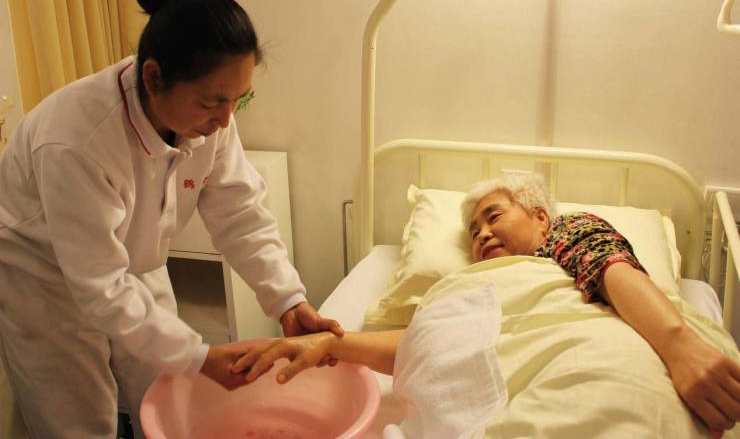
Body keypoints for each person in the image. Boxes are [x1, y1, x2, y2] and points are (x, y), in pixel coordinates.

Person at [0, 0, 341, 439]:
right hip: (43, 274)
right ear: (153, 77)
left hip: (134, 260)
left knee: (164, 393)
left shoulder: (207, 115)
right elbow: (100, 285)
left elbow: (240, 212)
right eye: (212, 103)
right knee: (77, 418)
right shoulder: (77, 141)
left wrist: (287, 298)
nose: (225, 120)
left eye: (237, 101)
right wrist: (199, 356)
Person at [233, 173, 740, 438]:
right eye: (474, 231)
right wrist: (330, 343)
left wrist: (679, 347)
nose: (482, 234)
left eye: (494, 217)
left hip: (597, 353)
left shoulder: (568, 236)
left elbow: (612, 267)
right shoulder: (471, 287)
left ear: (541, 218)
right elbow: (432, 345)